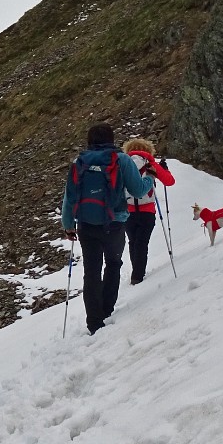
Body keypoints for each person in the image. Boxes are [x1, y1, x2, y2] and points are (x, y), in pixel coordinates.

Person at [61, 122, 150, 335]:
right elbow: (137, 191)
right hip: (114, 222)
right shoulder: (121, 160)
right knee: (113, 263)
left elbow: (69, 195)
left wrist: (67, 225)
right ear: (111, 139)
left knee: (91, 270)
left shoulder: (79, 162)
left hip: (85, 224)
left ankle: (94, 321)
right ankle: (106, 310)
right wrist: (150, 179)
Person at [123, 138, 176, 285]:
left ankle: (136, 272)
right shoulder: (150, 164)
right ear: (148, 150)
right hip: (147, 211)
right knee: (142, 242)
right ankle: (138, 276)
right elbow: (169, 181)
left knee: (133, 241)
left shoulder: (123, 165)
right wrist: (164, 170)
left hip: (128, 211)